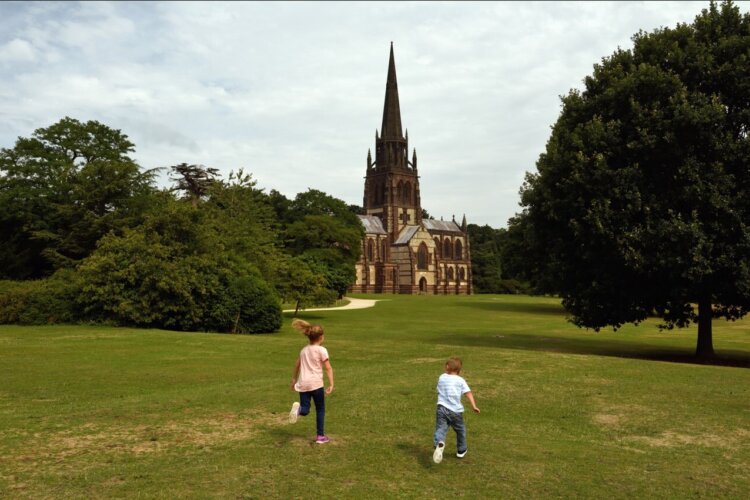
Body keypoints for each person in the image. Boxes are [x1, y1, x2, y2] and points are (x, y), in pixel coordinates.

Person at [288, 319, 334, 444]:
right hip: (316, 384)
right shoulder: (322, 350)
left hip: (303, 384)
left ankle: (298, 411)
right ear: (321, 337)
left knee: (306, 409)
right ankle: (320, 436)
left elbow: (297, 365)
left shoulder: (303, 350)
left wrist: (293, 379)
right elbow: (328, 368)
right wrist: (331, 384)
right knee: (320, 409)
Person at [432, 357, 480, 463]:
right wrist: (474, 406)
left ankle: (439, 443)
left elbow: (438, 390)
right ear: (459, 370)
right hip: (456, 411)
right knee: (460, 430)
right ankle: (461, 450)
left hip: (441, 408)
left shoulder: (442, 377)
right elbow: (468, 393)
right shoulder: (460, 380)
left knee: (441, 429)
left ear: (447, 367)